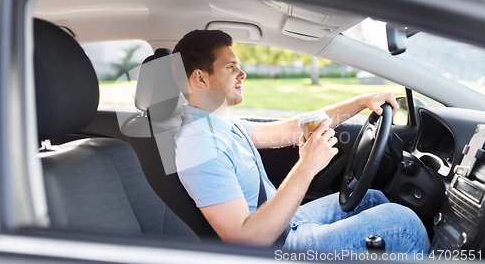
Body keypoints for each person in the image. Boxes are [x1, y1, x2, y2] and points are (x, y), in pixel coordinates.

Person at [173, 29, 430, 253]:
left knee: (372, 199)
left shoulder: (220, 122)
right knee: (403, 225)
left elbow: (290, 129)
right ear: (200, 78)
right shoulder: (200, 145)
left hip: (286, 222)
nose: (243, 74)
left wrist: (362, 102)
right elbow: (247, 241)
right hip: (281, 245)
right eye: (231, 67)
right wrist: (308, 164)